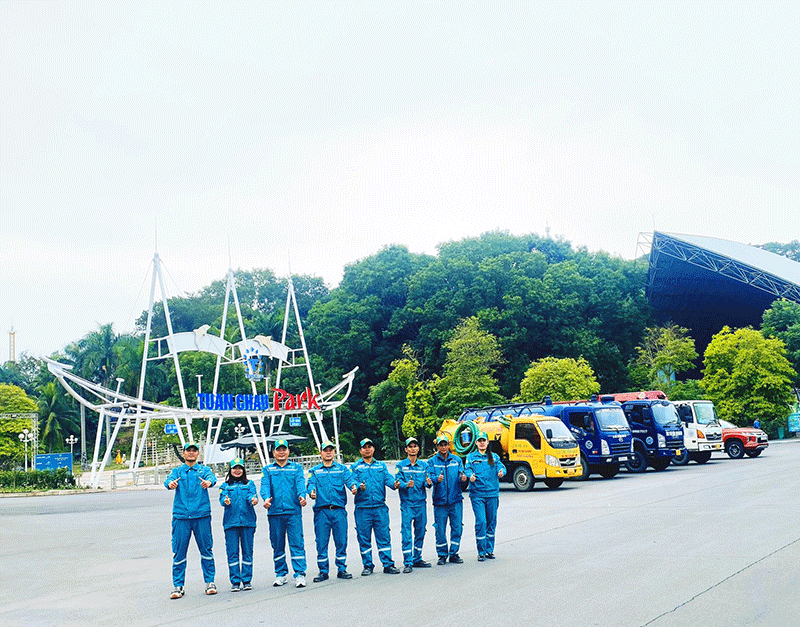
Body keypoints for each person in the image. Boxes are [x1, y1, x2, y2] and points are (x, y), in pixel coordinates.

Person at [164, 442, 218, 599]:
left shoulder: (204, 470)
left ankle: (210, 582)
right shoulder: (178, 471)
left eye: (194, 450)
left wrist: (209, 483)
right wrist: (170, 484)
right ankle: (178, 586)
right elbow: (168, 481)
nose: (191, 453)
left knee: (206, 550)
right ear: (184, 453)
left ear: (198, 453)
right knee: (179, 551)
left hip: (201, 515)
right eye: (189, 450)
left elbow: (212, 478)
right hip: (182, 517)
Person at [260, 439, 308, 588]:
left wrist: (302, 496)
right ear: (274, 452)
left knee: (297, 543)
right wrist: (266, 498)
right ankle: (280, 574)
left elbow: (300, 483)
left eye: (284, 449)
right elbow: (265, 486)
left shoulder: (296, 468)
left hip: (293, 512)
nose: (281, 452)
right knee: (277, 544)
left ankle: (300, 574)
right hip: (275, 512)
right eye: (278, 449)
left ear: (288, 451)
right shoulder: (268, 470)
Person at [307, 440, 356, 582]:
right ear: (320, 453)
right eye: (325, 450)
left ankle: (342, 568)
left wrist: (353, 487)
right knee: (321, 542)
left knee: (341, 540)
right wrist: (311, 492)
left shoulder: (342, 469)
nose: (328, 452)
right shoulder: (314, 471)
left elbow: (350, 480)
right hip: (322, 512)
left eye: (331, 450)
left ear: (334, 452)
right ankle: (323, 571)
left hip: (338, 510)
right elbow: (310, 484)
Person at [350, 437, 401, 576]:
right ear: (360, 450)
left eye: (369, 447)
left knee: (384, 537)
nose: (367, 449)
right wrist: (357, 486)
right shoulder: (355, 467)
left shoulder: (381, 466)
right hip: (363, 508)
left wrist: (394, 484)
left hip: (379, 507)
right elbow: (352, 480)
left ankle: (388, 564)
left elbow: (388, 479)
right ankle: (367, 565)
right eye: (364, 447)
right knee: (364, 538)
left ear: (373, 449)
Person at [464, 432, 506, 561]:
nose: (482, 443)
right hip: (477, 494)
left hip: (492, 494)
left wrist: (501, 472)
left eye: (484, 441)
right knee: (481, 521)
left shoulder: (494, 457)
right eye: (479, 441)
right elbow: (467, 469)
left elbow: (501, 467)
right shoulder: (471, 457)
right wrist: (470, 476)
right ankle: (481, 551)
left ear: (488, 442)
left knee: (491, 521)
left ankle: (489, 550)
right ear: (476, 443)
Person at [219, 458, 258, 591]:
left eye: (240, 468)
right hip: (231, 523)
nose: (237, 471)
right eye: (234, 468)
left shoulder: (250, 484)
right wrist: (225, 501)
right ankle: (235, 581)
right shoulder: (225, 486)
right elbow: (222, 498)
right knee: (232, 553)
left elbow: (252, 495)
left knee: (247, 552)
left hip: (247, 522)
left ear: (243, 470)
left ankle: (246, 580)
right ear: (230, 470)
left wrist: (253, 500)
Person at [427, 434, 467, 565]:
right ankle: (442, 555)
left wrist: (463, 478)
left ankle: (454, 553)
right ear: (437, 446)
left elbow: (462, 474)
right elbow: (429, 479)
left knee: (457, 528)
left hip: (455, 500)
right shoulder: (432, 462)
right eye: (441, 445)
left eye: (445, 444)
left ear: (449, 446)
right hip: (440, 502)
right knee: (440, 529)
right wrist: (436, 479)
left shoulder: (456, 460)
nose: (443, 447)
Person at [394, 436, 432, 573]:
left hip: (421, 503)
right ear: (406, 449)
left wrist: (429, 483)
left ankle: (417, 558)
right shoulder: (400, 466)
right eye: (410, 446)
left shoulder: (424, 465)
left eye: (415, 446)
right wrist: (406, 485)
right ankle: (408, 562)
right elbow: (397, 482)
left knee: (420, 531)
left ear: (418, 448)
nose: (413, 449)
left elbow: (428, 482)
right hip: (407, 504)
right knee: (406, 533)